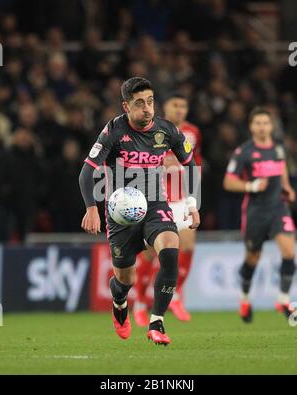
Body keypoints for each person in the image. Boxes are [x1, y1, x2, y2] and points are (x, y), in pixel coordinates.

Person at [79, 77, 200, 345]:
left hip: (156, 203)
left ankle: (157, 321)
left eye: (150, 102)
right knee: (125, 279)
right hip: (121, 211)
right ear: (126, 106)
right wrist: (91, 209)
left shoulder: (167, 131)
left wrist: (192, 204)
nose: (147, 109)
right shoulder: (113, 131)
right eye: (139, 104)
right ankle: (119, 303)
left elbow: (190, 164)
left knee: (170, 250)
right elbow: (87, 172)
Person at [133, 93, 202, 326]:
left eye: (184, 105)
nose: (180, 109)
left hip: (181, 198)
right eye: (176, 105)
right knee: (152, 254)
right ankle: (141, 302)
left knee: (189, 244)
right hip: (158, 198)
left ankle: (177, 294)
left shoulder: (193, 131)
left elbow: (192, 161)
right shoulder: (154, 130)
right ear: (166, 107)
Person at [223, 107, 296, 323]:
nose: (262, 127)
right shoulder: (244, 152)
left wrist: (286, 187)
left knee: (289, 251)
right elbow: (228, 182)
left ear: (271, 126)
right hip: (255, 212)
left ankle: (283, 299)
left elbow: (281, 168)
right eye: (258, 123)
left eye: (266, 123)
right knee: (253, 258)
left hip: (278, 208)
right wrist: (252, 185)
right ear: (251, 126)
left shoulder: (279, 149)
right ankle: (244, 298)